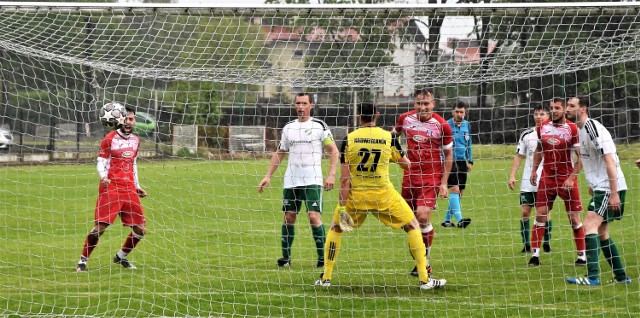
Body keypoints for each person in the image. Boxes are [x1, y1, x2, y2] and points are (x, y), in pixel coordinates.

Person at [314, 102, 446, 290]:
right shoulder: (388, 137)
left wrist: (343, 206)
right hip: (383, 195)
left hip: (357, 196)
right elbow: (405, 164)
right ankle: (424, 279)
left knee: (336, 228)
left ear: (359, 117)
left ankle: (325, 278)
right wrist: (396, 157)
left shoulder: (349, 139)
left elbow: (345, 179)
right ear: (377, 115)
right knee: (413, 226)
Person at [258, 93, 339, 268]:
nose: (300, 107)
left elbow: (333, 150)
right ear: (295, 106)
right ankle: (286, 259)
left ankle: (322, 258)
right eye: (298, 103)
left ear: (311, 106)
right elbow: (280, 152)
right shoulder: (288, 128)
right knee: (289, 217)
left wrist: (331, 175)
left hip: (313, 179)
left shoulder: (319, 126)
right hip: (292, 180)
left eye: (304, 103)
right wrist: (267, 176)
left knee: (313, 216)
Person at [564, 96, 631, 285]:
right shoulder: (580, 129)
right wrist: (592, 185)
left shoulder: (593, 128)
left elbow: (609, 160)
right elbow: (591, 160)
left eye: (571, 106)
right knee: (602, 233)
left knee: (588, 226)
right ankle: (621, 277)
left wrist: (614, 192)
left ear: (583, 108)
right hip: (601, 186)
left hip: (609, 187)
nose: (567, 109)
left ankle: (592, 277)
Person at [76, 103, 148, 272]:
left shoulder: (136, 140)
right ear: (118, 120)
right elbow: (101, 162)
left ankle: (121, 256)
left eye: (132, 119)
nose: (130, 122)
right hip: (112, 188)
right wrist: (104, 177)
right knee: (100, 228)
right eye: (127, 119)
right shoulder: (109, 139)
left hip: (129, 188)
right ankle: (83, 260)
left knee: (140, 230)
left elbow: (133, 164)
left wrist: (137, 186)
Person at [393, 88, 453, 277]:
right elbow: (392, 137)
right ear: (414, 104)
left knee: (423, 216)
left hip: (430, 177)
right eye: (419, 103)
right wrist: (399, 156)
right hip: (409, 177)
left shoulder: (442, 125)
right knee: (407, 222)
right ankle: (420, 258)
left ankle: (425, 262)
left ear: (433, 104)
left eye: (426, 103)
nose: (423, 107)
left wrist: (443, 183)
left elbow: (448, 154)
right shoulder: (405, 119)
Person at [528, 98, 586, 267]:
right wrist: (534, 170)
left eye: (557, 108)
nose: (553, 111)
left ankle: (582, 256)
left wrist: (571, 178)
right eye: (551, 108)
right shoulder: (542, 127)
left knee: (574, 218)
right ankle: (535, 256)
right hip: (547, 178)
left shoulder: (572, 128)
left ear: (563, 110)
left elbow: (581, 157)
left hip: (566, 179)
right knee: (540, 214)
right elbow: (539, 149)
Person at [508, 105, 553, 253]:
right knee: (525, 212)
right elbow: (519, 156)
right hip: (528, 181)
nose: (539, 116)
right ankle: (526, 244)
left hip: (546, 180)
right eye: (536, 114)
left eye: (542, 113)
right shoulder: (526, 134)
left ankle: (546, 243)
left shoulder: (553, 133)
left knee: (544, 212)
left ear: (548, 115)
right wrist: (513, 175)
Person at [441, 101, 472, 228]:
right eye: (457, 112)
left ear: (465, 113)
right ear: (452, 112)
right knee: (454, 189)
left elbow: (469, 143)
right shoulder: (446, 125)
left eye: (462, 112)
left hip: (462, 161)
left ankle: (446, 220)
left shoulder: (467, 125)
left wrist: (470, 160)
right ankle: (460, 220)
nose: (459, 114)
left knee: (460, 193)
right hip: (450, 161)